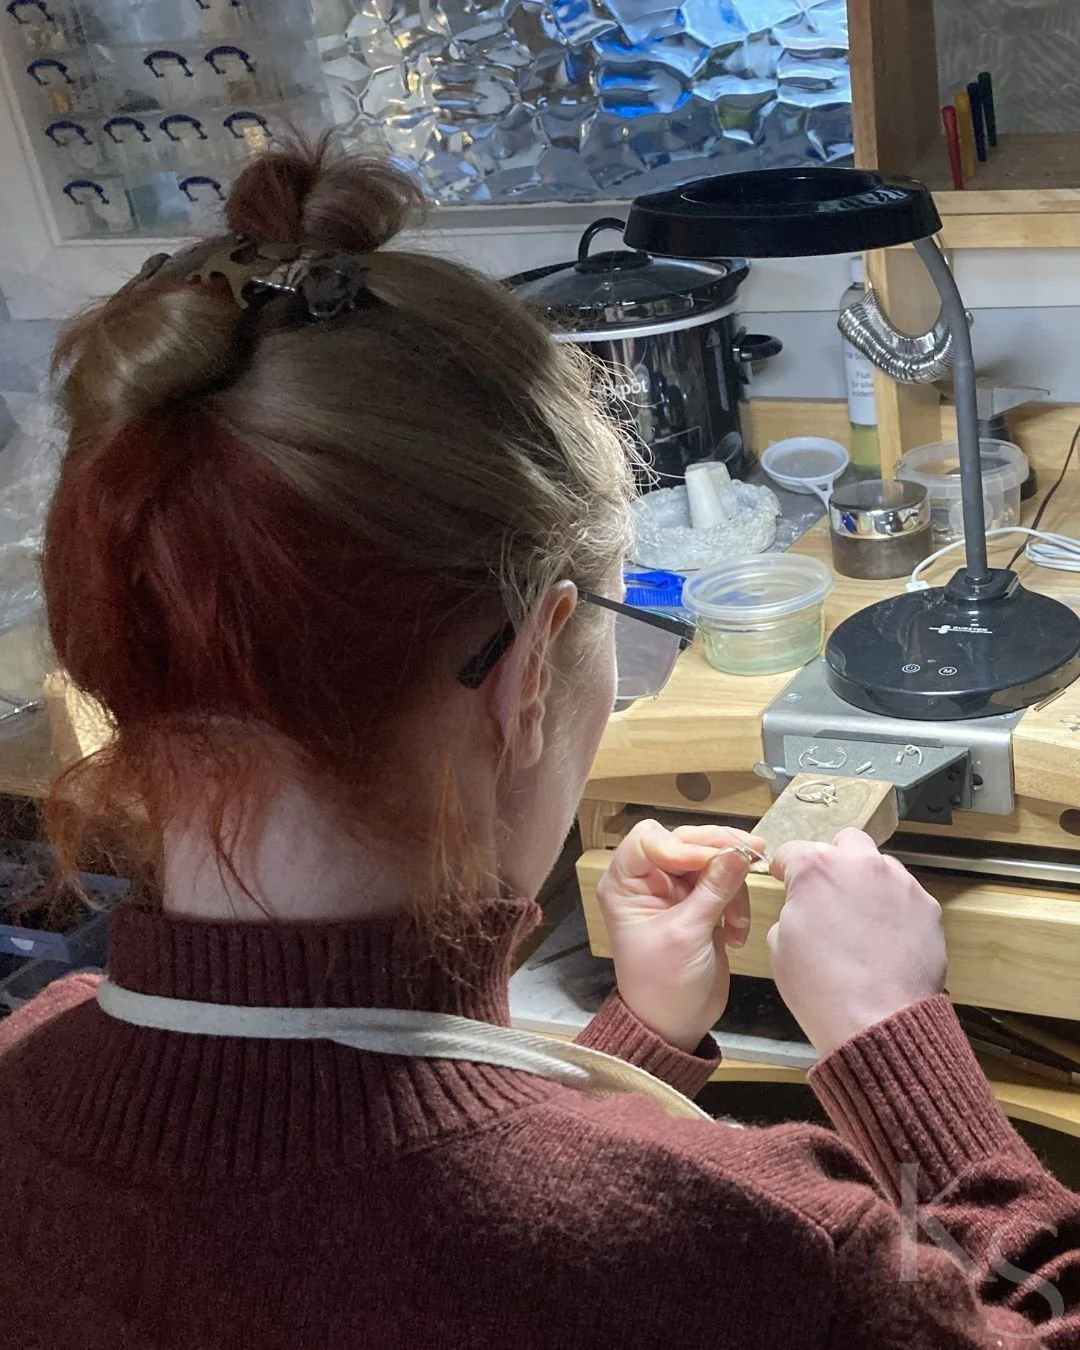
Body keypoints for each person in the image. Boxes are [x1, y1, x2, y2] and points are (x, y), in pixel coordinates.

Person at [0, 136, 1077, 1350]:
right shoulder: (759, 1246)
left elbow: (396, 1207)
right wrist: (897, 1044)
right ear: (525, 676)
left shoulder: (28, 1068)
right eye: (618, 623)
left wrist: (633, 1048)